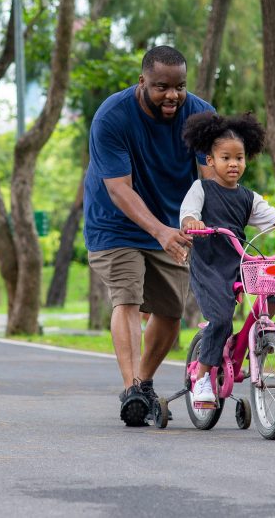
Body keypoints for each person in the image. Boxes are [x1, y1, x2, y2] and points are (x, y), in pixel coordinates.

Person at [83, 45, 215, 427]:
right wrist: (158, 231)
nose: (172, 96)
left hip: (172, 222)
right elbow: (119, 189)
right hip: (117, 222)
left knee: (171, 311)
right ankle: (132, 389)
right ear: (142, 81)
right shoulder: (113, 116)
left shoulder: (201, 116)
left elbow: (212, 179)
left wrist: (212, 226)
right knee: (128, 297)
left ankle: (143, 383)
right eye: (161, 87)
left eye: (179, 87)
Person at [178, 112, 275, 403]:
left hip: (239, 262)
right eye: (225, 157)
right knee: (220, 319)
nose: (233, 164)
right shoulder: (201, 189)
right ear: (210, 161)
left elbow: (274, 217)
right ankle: (204, 377)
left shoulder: (247, 197)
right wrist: (192, 222)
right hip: (209, 266)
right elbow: (189, 213)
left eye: (239, 158)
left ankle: (254, 341)